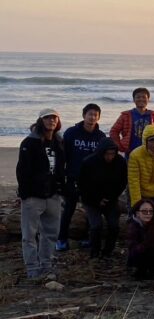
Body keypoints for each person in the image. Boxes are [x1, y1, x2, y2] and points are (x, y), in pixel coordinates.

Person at [16, 108, 65, 280]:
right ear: (41, 121)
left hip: (53, 195)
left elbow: (60, 169)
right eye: (47, 118)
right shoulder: (29, 143)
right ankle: (32, 269)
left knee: (51, 233)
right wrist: (25, 194)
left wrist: (60, 190)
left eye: (54, 118)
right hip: (33, 196)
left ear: (58, 121)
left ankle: (46, 265)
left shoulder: (59, 141)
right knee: (29, 235)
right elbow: (22, 170)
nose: (51, 121)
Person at [57, 103, 106, 250]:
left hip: (92, 180)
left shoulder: (100, 136)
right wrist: (63, 176)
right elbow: (63, 155)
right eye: (90, 114)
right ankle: (61, 239)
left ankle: (86, 238)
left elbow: (102, 160)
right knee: (69, 209)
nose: (92, 117)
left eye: (95, 115)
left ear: (98, 118)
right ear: (84, 115)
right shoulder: (71, 133)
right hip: (73, 177)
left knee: (90, 210)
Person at [78, 138, 127, 259]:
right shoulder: (88, 162)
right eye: (107, 154)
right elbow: (82, 185)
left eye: (112, 154)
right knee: (96, 226)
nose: (110, 157)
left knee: (114, 225)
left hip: (110, 199)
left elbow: (122, 182)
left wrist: (111, 197)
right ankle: (95, 251)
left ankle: (108, 251)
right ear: (101, 152)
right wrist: (96, 199)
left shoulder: (120, 161)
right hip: (91, 200)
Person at [109, 87, 154, 156]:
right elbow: (114, 131)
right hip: (131, 153)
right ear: (134, 99)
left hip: (150, 153)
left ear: (148, 99)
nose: (141, 99)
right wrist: (120, 146)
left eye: (144, 97)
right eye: (138, 97)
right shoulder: (125, 115)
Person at [127, 199, 154, 280]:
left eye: (150, 211)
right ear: (137, 213)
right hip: (139, 255)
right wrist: (145, 244)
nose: (148, 214)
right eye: (144, 211)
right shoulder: (134, 226)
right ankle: (141, 270)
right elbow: (132, 247)